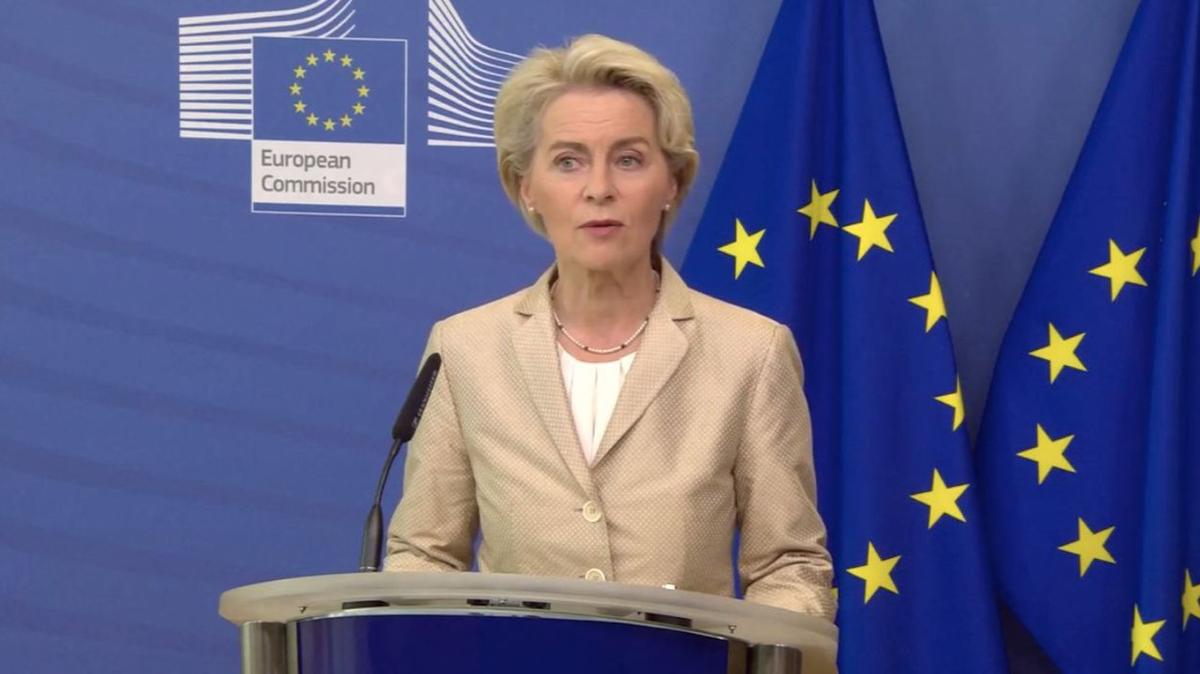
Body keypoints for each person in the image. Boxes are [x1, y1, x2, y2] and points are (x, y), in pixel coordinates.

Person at [384, 33, 834, 620]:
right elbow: (423, 556)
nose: (599, 189)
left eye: (628, 159)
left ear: (672, 182)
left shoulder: (751, 352)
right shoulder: (464, 349)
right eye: (568, 161)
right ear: (526, 186)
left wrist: (754, 651)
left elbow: (789, 568)